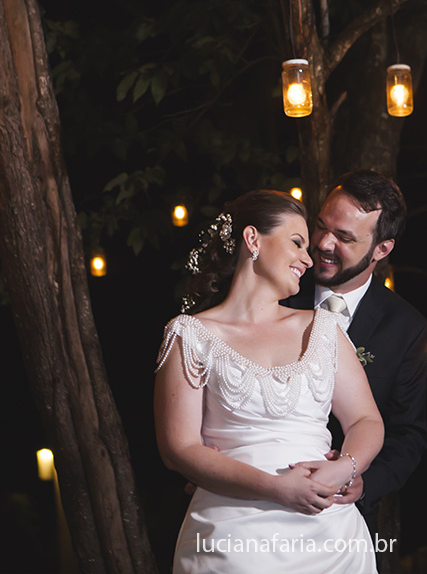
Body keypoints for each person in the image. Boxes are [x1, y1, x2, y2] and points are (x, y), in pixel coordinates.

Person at [155, 190, 384, 574]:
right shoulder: (190, 334)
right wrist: (277, 489)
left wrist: (345, 467)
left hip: (329, 540)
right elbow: (178, 448)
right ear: (252, 240)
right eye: (297, 242)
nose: (308, 259)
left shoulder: (321, 328)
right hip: (231, 538)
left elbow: (366, 421)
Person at [285, 170, 427, 534]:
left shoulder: (406, 329)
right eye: (321, 226)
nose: (323, 243)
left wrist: (366, 482)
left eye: (344, 237)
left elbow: (409, 433)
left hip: (339, 515)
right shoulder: (277, 291)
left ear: (382, 249)